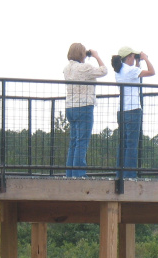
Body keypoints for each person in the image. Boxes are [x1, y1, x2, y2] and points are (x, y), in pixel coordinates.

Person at [63, 43, 107, 177]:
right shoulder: (85, 68)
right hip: (84, 107)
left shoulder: (67, 69)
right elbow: (103, 71)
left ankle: (70, 173)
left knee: (74, 141)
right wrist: (96, 56)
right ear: (82, 54)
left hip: (70, 107)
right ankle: (79, 174)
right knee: (82, 141)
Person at [111, 46, 155, 178]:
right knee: (132, 144)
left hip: (121, 110)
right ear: (129, 57)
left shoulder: (119, 70)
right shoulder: (131, 70)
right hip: (133, 110)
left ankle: (120, 174)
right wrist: (145, 58)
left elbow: (135, 76)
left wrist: (138, 62)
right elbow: (152, 72)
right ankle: (130, 175)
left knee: (123, 143)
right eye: (133, 56)